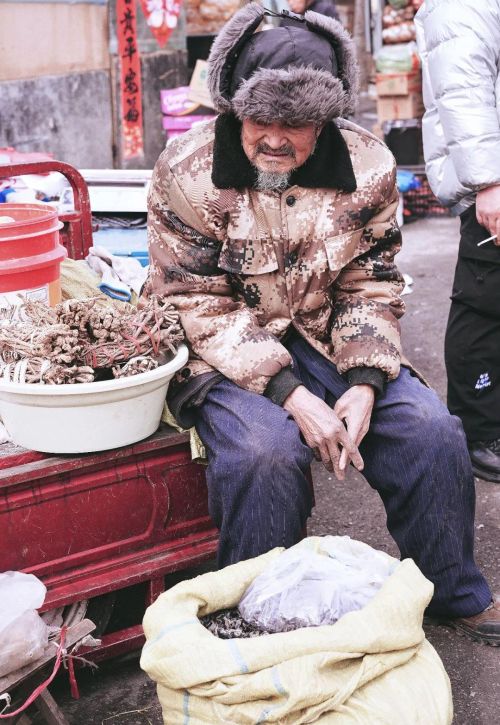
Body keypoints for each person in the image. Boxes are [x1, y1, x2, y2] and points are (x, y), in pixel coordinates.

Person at [144, 2, 499, 644]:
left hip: (325, 334)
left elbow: (373, 280)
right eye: (260, 119)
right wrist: (291, 396)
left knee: (431, 433)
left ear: (326, 119)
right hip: (224, 348)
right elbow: (193, 299)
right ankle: (256, 618)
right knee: (264, 454)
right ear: (233, 108)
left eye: (297, 123)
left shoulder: (368, 165)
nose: (275, 138)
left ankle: (453, 592)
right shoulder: (187, 171)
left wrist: (364, 379)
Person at [416, 1, 500, 483]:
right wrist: (488, 183)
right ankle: (480, 432)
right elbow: (463, 89)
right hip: (491, 182)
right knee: (484, 304)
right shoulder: (462, 4)